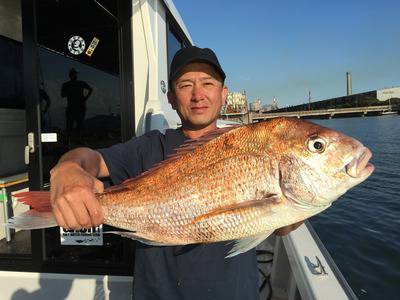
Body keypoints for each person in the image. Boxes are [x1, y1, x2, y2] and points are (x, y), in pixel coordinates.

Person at [50, 46, 302, 300]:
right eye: (185, 85)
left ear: (224, 94)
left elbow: (278, 227)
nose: (198, 95)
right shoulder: (148, 147)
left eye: (208, 83)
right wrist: (68, 169)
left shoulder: (249, 144)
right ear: (171, 97)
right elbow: (90, 158)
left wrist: (290, 213)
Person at [61, 68, 93, 142]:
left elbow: (63, 95)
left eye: (75, 74)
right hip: (75, 107)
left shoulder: (69, 84)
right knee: (72, 124)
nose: (75, 75)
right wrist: (85, 97)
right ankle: (70, 141)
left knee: (78, 124)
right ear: (71, 75)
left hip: (78, 107)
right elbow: (63, 95)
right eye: (74, 74)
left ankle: (75, 140)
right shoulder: (69, 84)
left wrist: (86, 97)